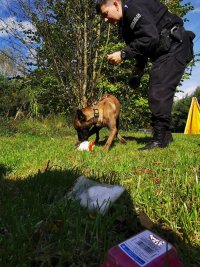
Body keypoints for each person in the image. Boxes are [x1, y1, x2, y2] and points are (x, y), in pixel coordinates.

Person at [96, 0, 195, 150]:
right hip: (165, 50)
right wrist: (137, 72)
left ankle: (159, 140)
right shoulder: (125, 27)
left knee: (159, 89)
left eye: (105, 13)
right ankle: (165, 136)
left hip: (175, 45)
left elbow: (150, 38)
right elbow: (142, 47)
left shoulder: (132, 8)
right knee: (157, 87)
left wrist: (123, 54)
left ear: (115, 4)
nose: (105, 19)